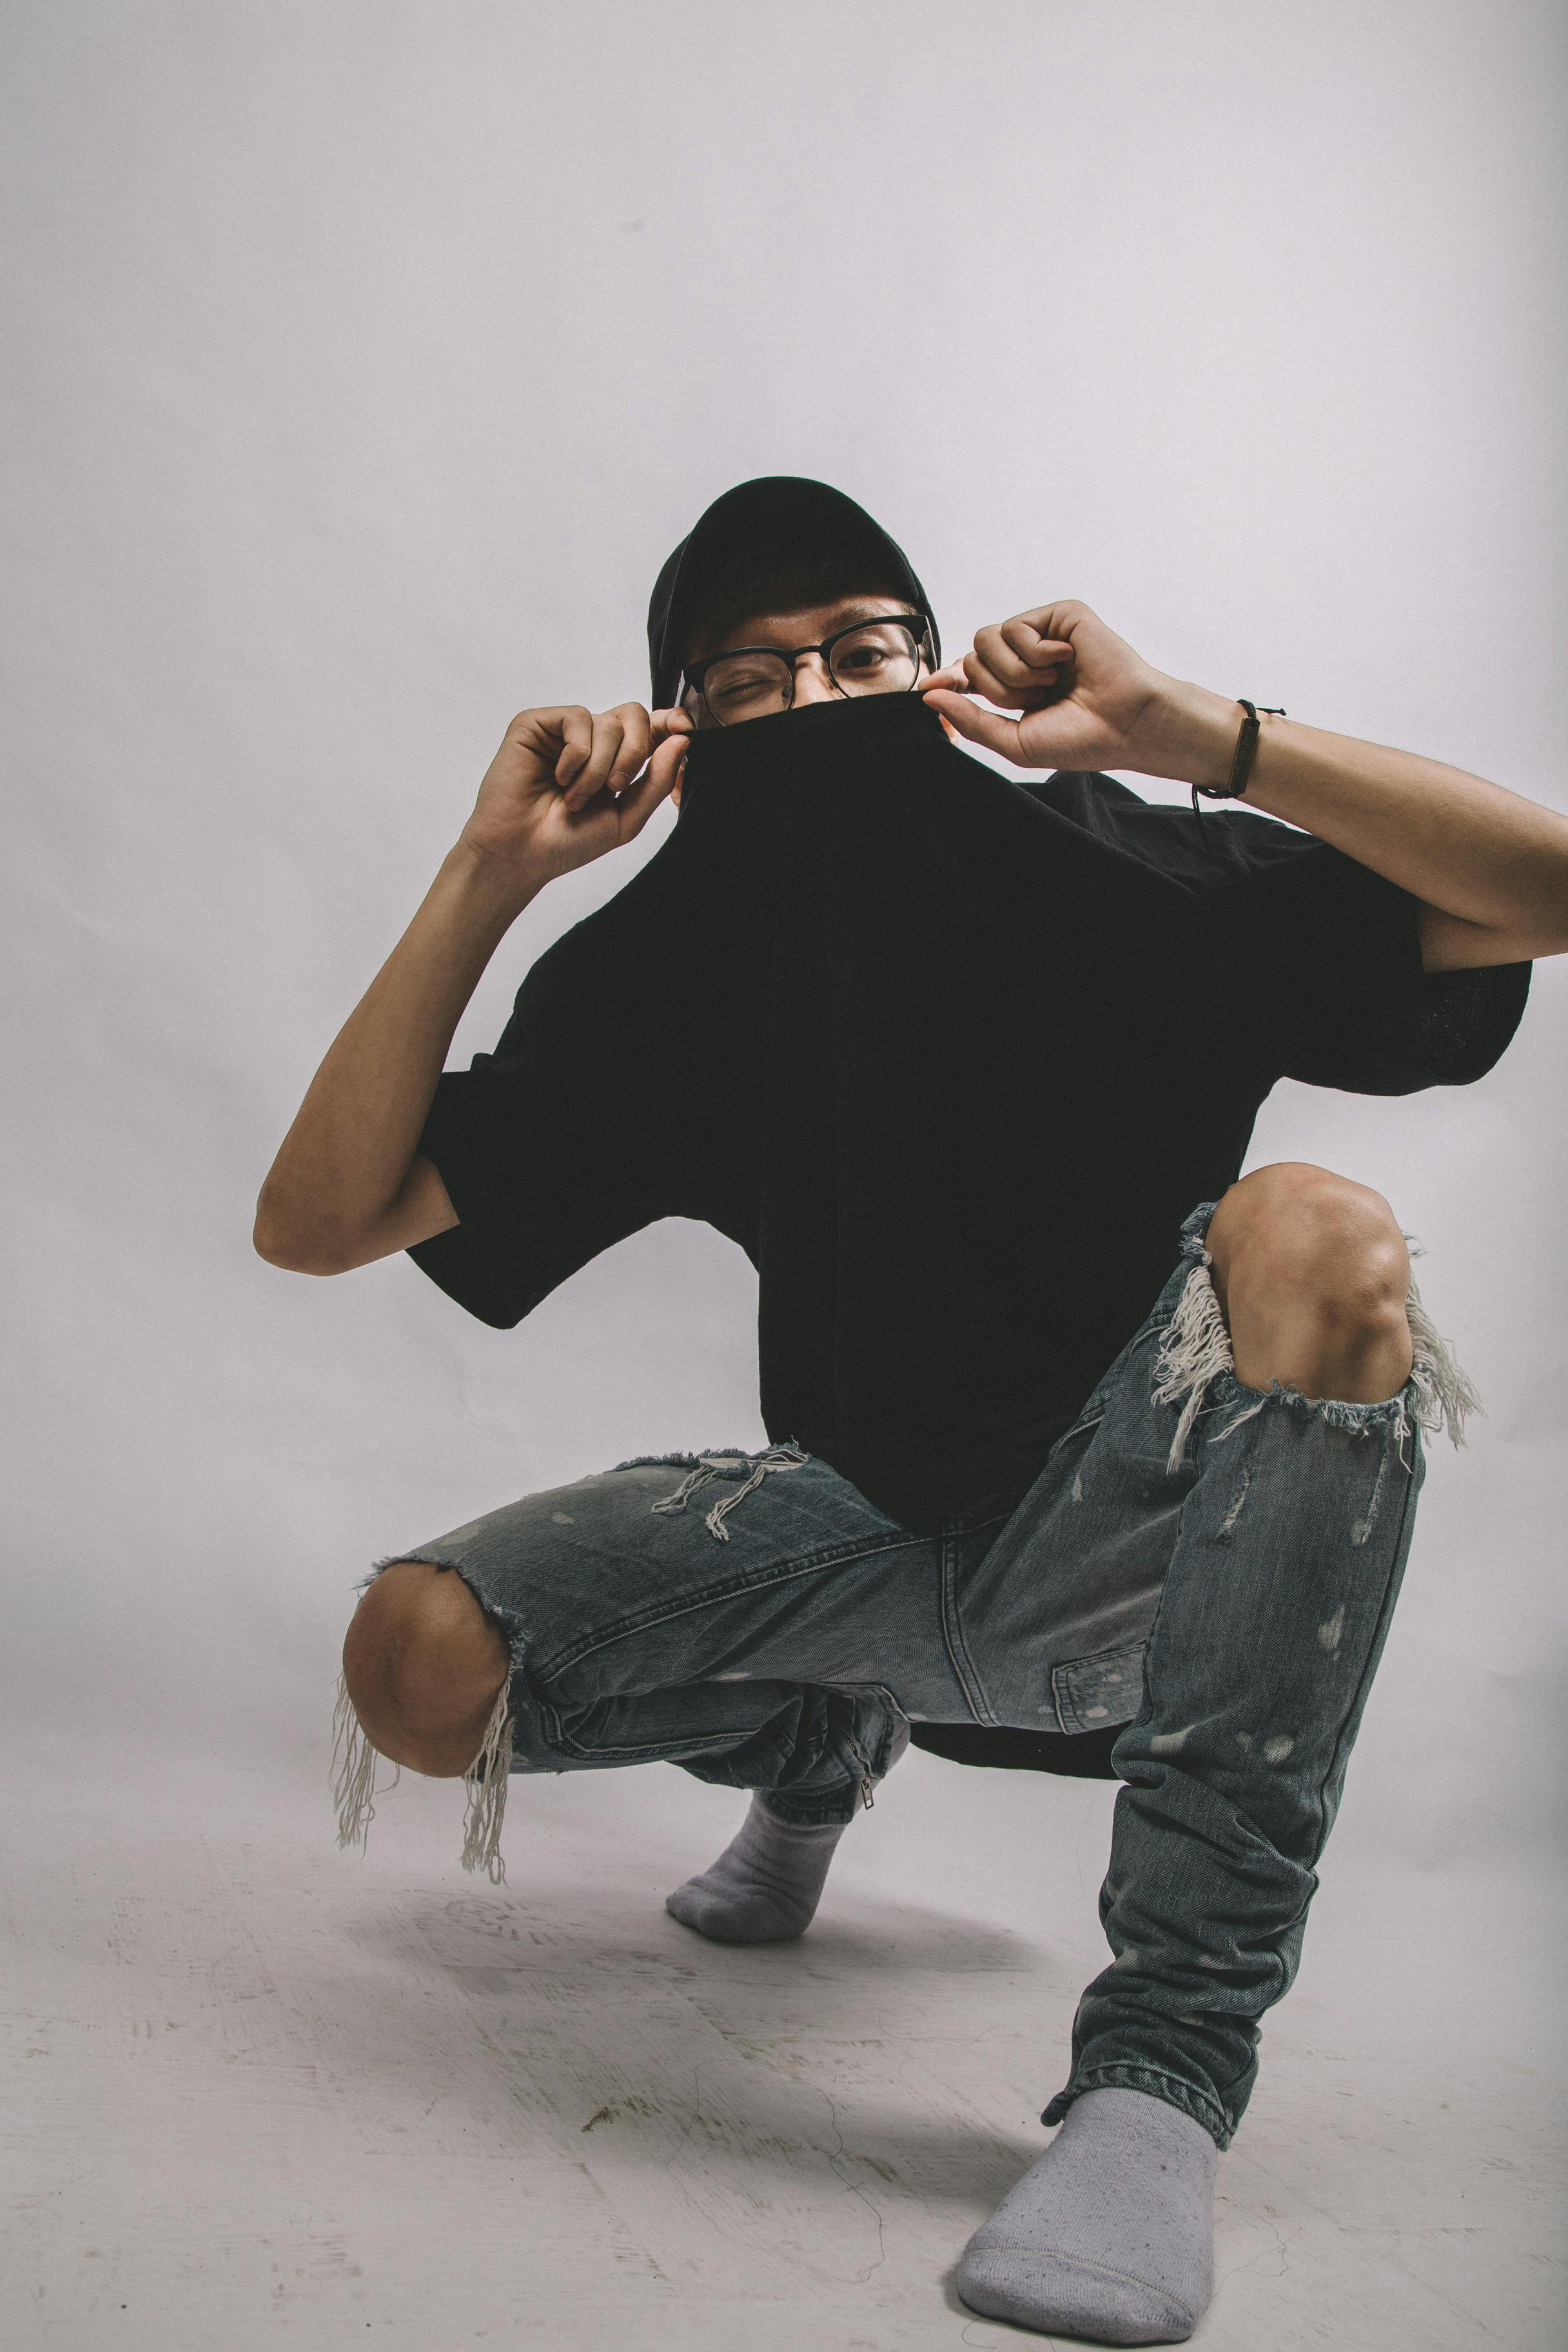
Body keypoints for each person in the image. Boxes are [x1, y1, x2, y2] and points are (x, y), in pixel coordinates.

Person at [255, 477, 1565, 2344]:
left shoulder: (1124, 858)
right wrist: (492, 872)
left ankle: (1159, 2083)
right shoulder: (675, 962)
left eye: (860, 653)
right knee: (416, 1663)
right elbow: (318, 1222)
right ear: (683, 738)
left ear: (943, 678)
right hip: (867, 1516)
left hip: (1143, 1542)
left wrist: (1188, 731)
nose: (815, 699)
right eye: (748, 680)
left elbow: (1549, 891)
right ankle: (819, 1744)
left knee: (1321, 1230)